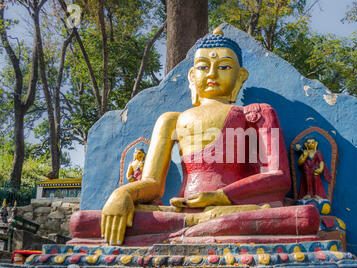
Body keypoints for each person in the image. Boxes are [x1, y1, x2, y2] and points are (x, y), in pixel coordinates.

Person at [78, 28, 319, 246]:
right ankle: (201, 227)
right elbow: (153, 185)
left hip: (237, 209)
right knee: (81, 223)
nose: (212, 73)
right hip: (180, 211)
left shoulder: (255, 114)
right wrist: (123, 194)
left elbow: (278, 179)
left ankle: (194, 229)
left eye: (224, 67)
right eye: (204, 67)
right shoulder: (170, 120)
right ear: (192, 75)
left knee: (305, 217)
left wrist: (221, 197)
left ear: (240, 76)